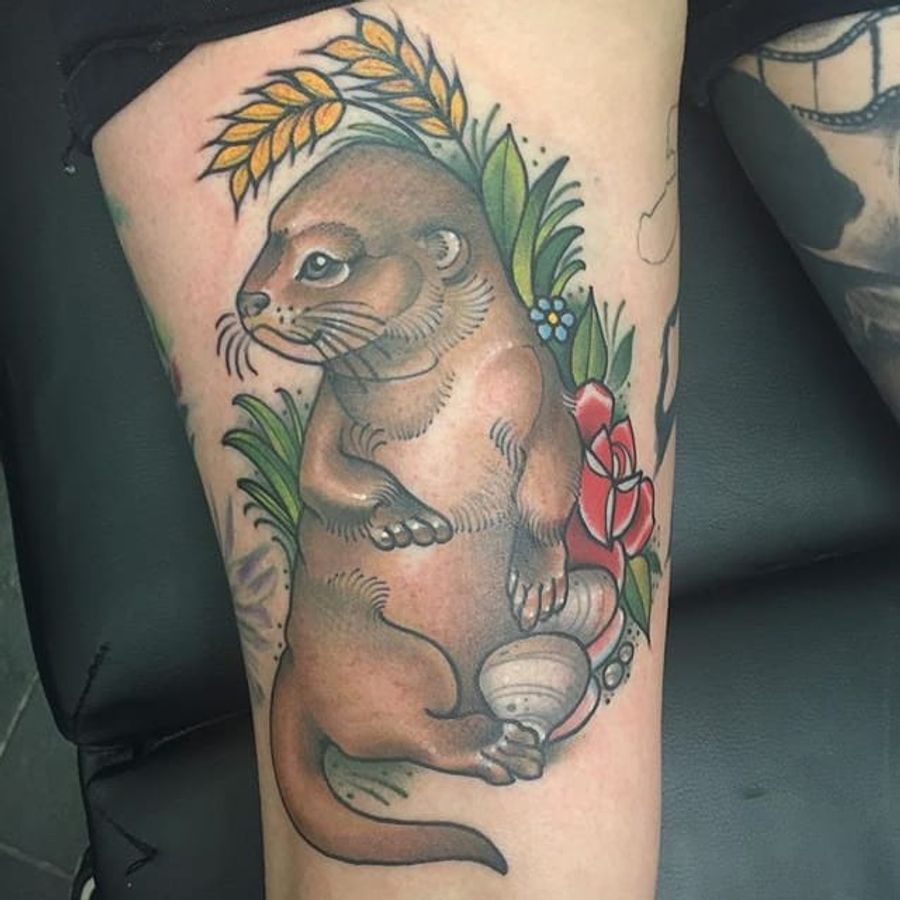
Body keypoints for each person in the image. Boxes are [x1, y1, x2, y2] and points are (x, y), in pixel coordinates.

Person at [45, 1, 900, 897]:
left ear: (445, 256)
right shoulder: (352, 380)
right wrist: (371, 497)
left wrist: (541, 543)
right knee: (399, 679)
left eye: (319, 266)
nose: (259, 296)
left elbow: (546, 458)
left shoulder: (500, 360)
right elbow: (323, 472)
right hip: (371, 643)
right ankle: (441, 737)